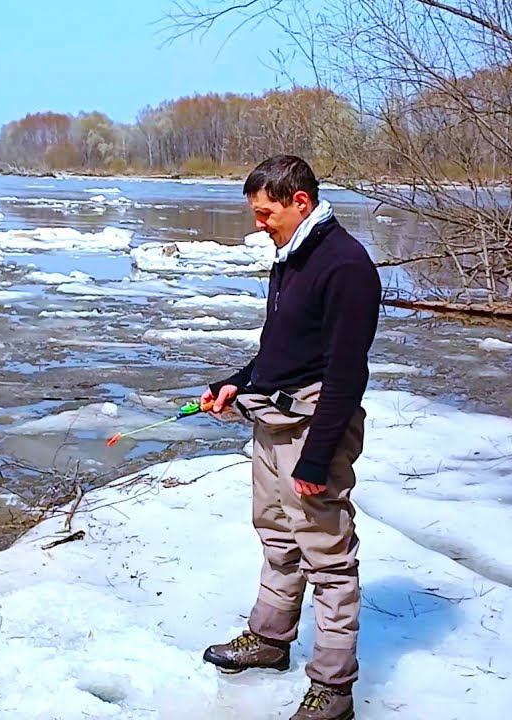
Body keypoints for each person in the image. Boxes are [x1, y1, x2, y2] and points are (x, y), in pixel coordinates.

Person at [200, 155, 381, 720]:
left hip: (315, 429)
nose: (259, 223)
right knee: (277, 538)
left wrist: (317, 460)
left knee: (327, 560)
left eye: (266, 212)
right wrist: (237, 383)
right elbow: (281, 348)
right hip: (273, 423)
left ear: (300, 201)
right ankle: (271, 641)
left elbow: (348, 373)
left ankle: (333, 688)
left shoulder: (346, 265)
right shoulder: (291, 255)